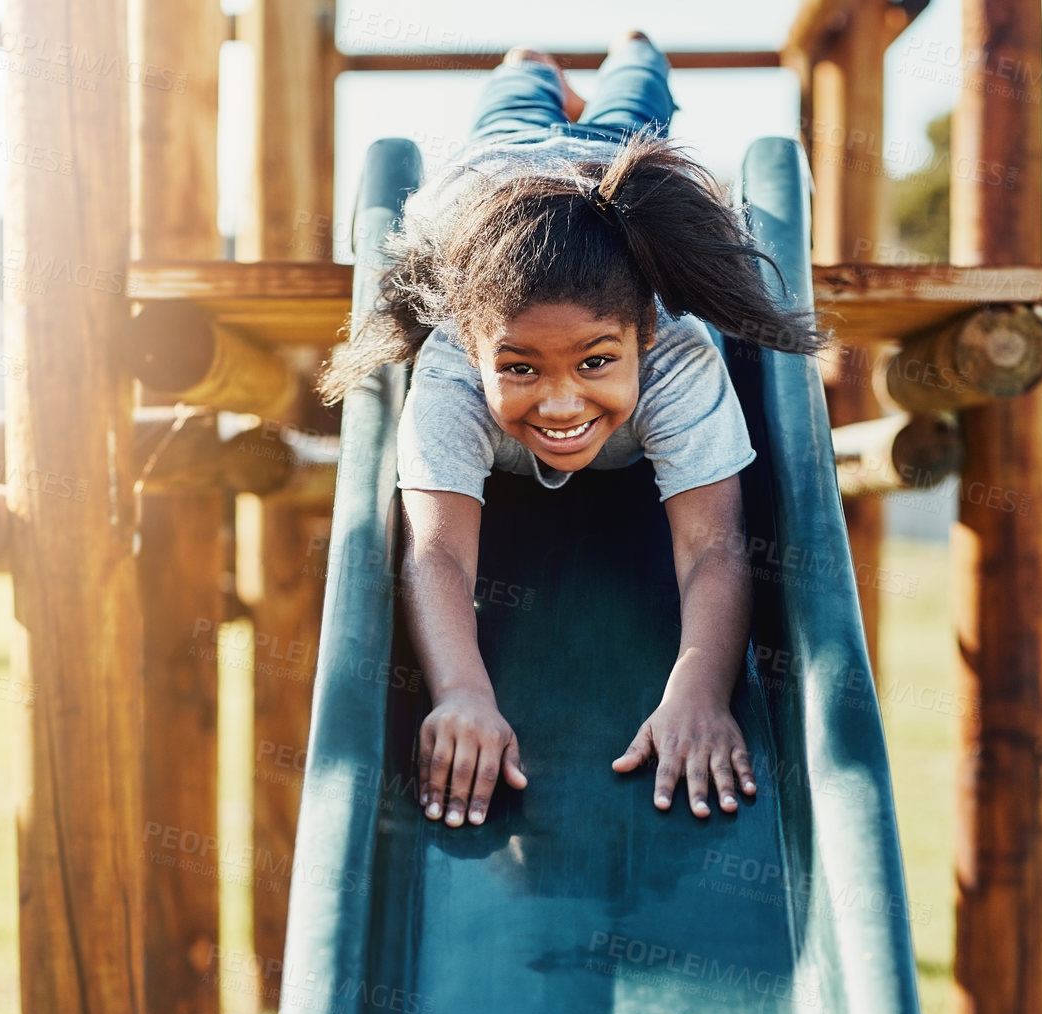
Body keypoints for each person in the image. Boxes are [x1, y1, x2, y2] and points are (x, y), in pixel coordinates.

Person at [320, 32, 824, 828]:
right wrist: (461, 692)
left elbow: (714, 547)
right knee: (519, 103)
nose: (560, 405)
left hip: (597, 176)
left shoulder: (677, 354)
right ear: (477, 348)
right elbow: (438, 550)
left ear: (642, 340)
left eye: (595, 363)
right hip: (492, 184)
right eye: (519, 369)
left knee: (631, 108)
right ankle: (533, 69)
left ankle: (634, 50)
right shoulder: (451, 368)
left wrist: (698, 687)